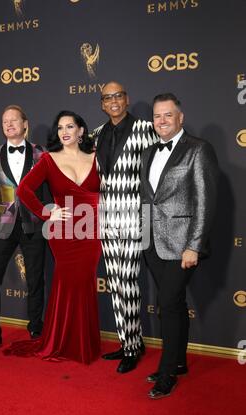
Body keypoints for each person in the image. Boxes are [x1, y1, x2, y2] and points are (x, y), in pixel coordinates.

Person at [3, 110, 101, 364]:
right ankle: (62, 341)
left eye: (70, 126)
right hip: (65, 232)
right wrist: (47, 212)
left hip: (92, 230)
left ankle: (83, 343)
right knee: (68, 283)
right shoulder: (49, 159)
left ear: (81, 131)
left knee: (85, 284)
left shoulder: (97, 157)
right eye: (60, 128)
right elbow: (24, 190)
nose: (65, 132)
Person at [141, 93, 218, 398]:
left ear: (180, 117)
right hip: (153, 243)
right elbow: (150, 199)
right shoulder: (147, 152)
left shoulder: (198, 149)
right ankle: (180, 361)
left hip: (182, 244)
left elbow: (206, 202)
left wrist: (194, 245)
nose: (161, 121)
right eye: (157, 116)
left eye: (168, 115)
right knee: (174, 305)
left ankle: (168, 371)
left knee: (168, 305)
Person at [0, 105, 46, 357]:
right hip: (2, 226)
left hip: (33, 225)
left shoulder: (40, 154)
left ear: (25, 124)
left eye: (14, 120)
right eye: (5, 121)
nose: (9, 124)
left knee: (36, 280)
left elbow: (49, 191)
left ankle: (36, 328)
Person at [93, 81, 157, 373]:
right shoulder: (96, 134)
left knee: (128, 280)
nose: (114, 101)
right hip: (107, 218)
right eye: (108, 97)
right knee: (116, 281)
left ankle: (131, 347)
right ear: (103, 103)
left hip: (135, 216)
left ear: (127, 99)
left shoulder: (146, 129)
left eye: (118, 95)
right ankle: (130, 340)